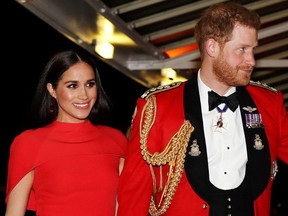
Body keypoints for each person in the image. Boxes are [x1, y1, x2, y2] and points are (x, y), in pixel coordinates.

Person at [117, 2, 288, 216]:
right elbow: (134, 194)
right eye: (242, 49)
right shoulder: (158, 106)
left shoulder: (269, 103)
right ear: (212, 47)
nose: (251, 60)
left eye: (253, 50)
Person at [5, 50, 128, 216]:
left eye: (90, 84)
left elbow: (122, 208)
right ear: (52, 90)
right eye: (72, 86)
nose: (84, 95)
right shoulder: (28, 143)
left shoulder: (116, 140)